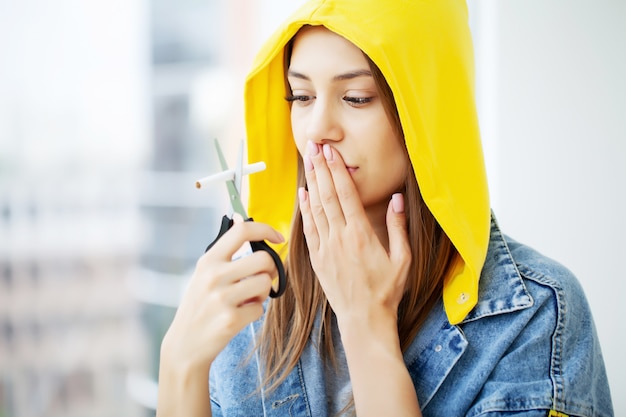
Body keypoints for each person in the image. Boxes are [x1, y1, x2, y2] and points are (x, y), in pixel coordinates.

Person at [156, 0, 613, 416]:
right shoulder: (250, 302)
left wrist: (367, 326)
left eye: (356, 97)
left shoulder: (536, 316)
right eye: (301, 97)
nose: (317, 129)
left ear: (428, 112)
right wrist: (179, 363)